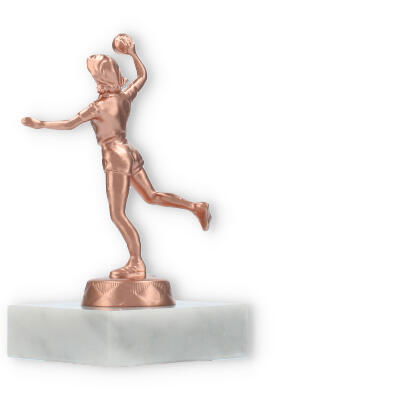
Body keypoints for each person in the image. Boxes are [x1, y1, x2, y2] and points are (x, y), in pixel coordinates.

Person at [22, 35, 211, 280]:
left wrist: (40, 124)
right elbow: (142, 77)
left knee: (117, 214)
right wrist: (133, 53)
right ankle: (196, 206)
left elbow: (69, 124)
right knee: (152, 196)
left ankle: (136, 263)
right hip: (130, 152)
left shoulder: (98, 107)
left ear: (100, 79)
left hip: (115, 157)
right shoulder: (123, 98)